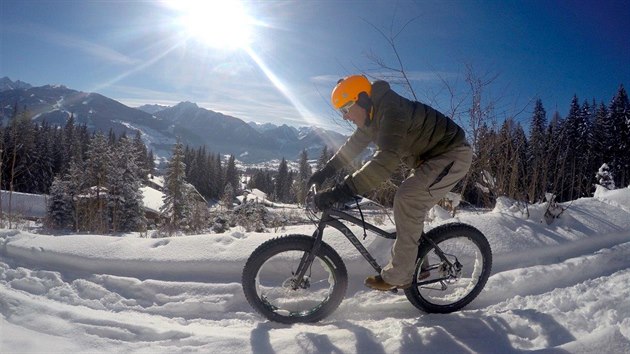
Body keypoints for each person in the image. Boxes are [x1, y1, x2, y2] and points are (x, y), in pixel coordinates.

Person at [308, 74, 473, 291]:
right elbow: (353, 146)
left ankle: (400, 276)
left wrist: (343, 190)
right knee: (406, 209)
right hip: (429, 159)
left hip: (452, 154)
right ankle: (419, 266)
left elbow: (384, 161)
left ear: (362, 99)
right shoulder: (372, 115)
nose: (345, 117)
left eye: (346, 109)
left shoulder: (392, 111)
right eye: (342, 112)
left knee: (407, 198)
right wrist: (325, 171)